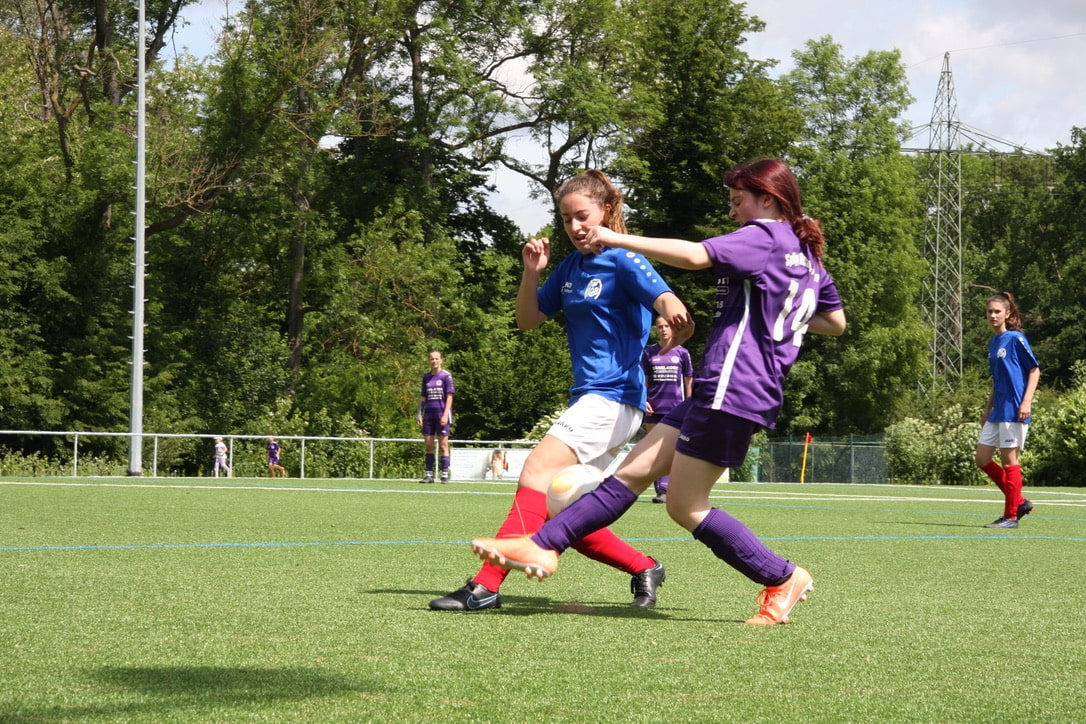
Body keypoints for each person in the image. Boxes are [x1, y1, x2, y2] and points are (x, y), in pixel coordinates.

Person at [471, 158, 846, 626]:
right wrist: (778, 312)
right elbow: (835, 321)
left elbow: (694, 256)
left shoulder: (766, 235)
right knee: (632, 473)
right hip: (723, 387)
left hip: (733, 386)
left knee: (685, 505)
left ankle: (783, 577)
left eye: (738, 201)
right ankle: (541, 545)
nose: (732, 212)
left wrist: (616, 238)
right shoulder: (806, 257)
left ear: (768, 200)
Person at [429, 169, 692, 612]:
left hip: (614, 397)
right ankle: (644, 566)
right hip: (591, 398)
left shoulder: (624, 259)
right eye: (567, 219)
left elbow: (667, 300)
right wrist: (531, 274)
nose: (574, 227)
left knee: (536, 468)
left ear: (606, 210)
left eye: (582, 216)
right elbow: (527, 319)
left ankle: (486, 585)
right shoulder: (570, 268)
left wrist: (675, 318)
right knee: (559, 507)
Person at [975, 292, 1040, 529]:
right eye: (990, 311)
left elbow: (1034, 370)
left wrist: (1026, 401)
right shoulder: (993, 343)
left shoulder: (1015, 338)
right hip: (998, 410)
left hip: (1014, 408)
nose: (993, 315)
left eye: (997, 311)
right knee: (982, 458)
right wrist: (987, 409)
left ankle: (1011, 516)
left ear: (1007, 313)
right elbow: (997, 380)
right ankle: (1019, 501)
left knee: (1009, 461)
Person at [642, 316, 694, 503]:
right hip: (653, 408)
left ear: (673, 329)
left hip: (676, 408)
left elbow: (689, 380)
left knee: (673, 449)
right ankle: (661, 490)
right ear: (656, 329)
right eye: (660, 327)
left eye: (667, 326)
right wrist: (643, 400)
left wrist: (690, 403)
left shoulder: (682, 353)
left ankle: (671, 488)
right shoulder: (648, 352)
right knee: (653, 450)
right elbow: (643, 380)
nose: (663, 329)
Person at [418, 350, 455, 483]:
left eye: (436, 358)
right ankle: (429, 474)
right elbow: (423, 397)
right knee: (428, 445)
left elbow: (449, 397)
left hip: (441, 414)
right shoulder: (426, 377)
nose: (434, 361)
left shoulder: (446, 376)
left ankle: (444, 474)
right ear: (429, 361)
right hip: (428, 415)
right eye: (432, 359)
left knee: (443, 445)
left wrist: (445, 415)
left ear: (441, 360)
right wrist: (419, 414)